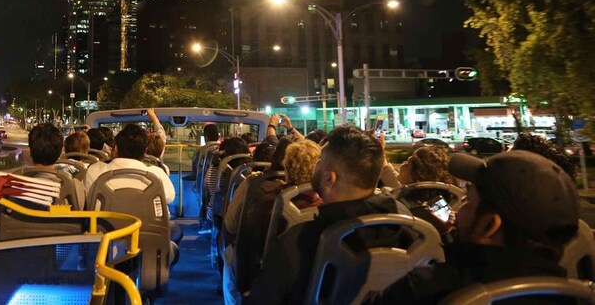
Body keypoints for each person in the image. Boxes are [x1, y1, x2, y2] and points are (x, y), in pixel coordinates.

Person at [364, 151, 580, 304]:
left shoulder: (430, 286)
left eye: (467, 201)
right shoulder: (577, 294)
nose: (458, 212)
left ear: (489, 226)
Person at [245, 126, 409, 304]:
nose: (316, 164)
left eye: (320, 160)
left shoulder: (297, 243)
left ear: (329, 179)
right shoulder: (410, 231)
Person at [223, 140, 322, 304]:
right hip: (315, 281)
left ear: (287, 168)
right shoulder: (328, 204)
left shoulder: (269, 201)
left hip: (269, 279)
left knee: (229, 257)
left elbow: (247, 239)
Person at [83, 123, 175, 204]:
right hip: (147, 223)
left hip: (104, 223)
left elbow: (89, 198)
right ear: (145, 151)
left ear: (116, 148)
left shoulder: (95, 170)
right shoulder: (157, 174)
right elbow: (169, 197)